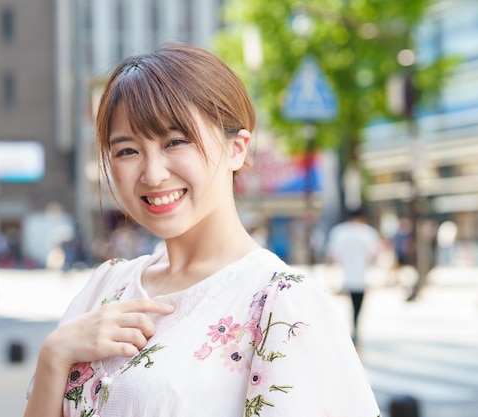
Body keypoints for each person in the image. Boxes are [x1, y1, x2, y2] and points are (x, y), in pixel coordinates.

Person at [24, 44, 380, 417]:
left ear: (236, 149)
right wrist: (55, 355)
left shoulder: (279, 301)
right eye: (127, 150)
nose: (153, 173)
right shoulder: (105, 286)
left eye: (176, 142)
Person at [326, 207, 382, 345]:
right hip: (362, 277)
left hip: (343, 276)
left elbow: (332, 255)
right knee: (358, 306)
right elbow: (374, 254)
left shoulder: (339, 232)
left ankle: (345, 333)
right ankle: (355, 331)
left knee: (342, 308)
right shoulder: (368, 232)